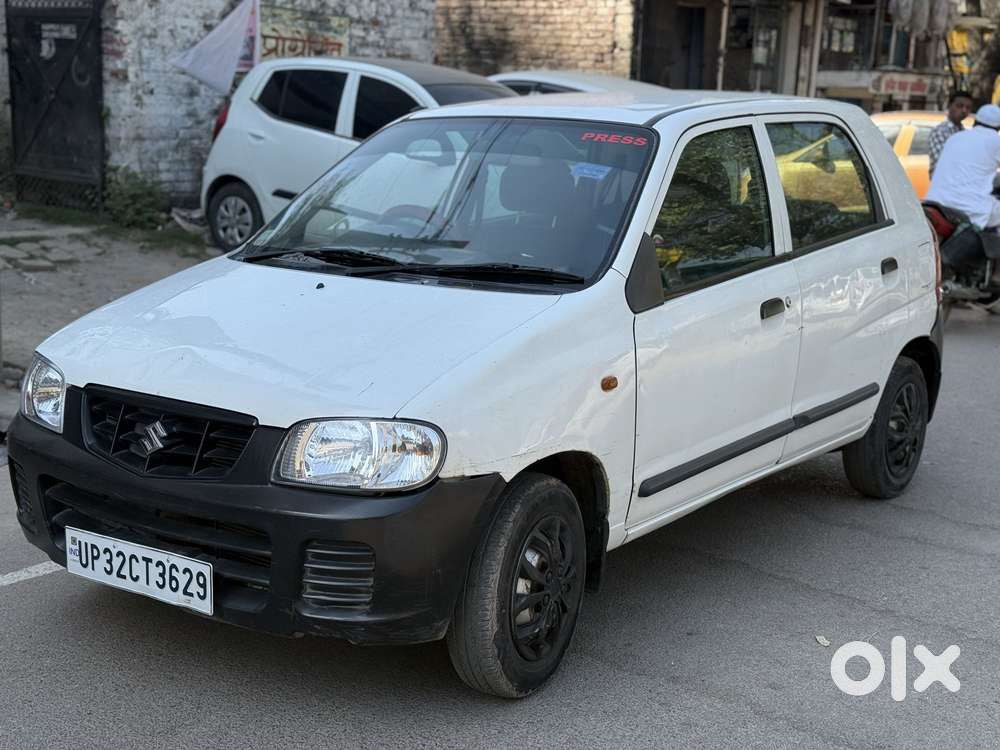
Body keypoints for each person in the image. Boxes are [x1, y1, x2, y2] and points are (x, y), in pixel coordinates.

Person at [926, 104, 1000, 231]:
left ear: (975, 121)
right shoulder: (996, 141)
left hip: (935, 203)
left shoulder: (955, 138)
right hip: (970, 210)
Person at [928, 91, 973, 178]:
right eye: (959, 106)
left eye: (968, 108)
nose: (964, 110)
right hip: (943, 185)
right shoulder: (940, 131)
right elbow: (943, 163)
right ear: (949, 106)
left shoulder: (965, 133)